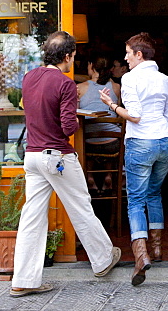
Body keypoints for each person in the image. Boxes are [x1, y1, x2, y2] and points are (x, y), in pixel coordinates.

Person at [9, 31, 121, 297]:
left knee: (31, 217)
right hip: (57, 156)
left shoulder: (29, 78)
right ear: (68, 56)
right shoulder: (65, 84)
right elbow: (69, 126)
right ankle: (103, 259)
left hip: (33, 155)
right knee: (80, 206)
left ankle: (23, 279)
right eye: (73, 56)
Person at [100, 32, 168, 285]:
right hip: (165, 142)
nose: (125, 57)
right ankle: (157, 249)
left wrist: (111, 105)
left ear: (139, 55)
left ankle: (141, 256)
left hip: (140, 142)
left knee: (135, 200)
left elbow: (134, 116)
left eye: (128, 53)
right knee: (154, 194)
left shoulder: (130, 79)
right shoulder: (165, 80)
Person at [77, 56, 122, 193]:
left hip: (89, 143)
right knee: (110, 135)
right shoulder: (116, 87)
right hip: (112, 144)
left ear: (91, 66)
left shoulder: (80, 88)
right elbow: (118, 111)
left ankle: (89, 176)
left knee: (85, 136)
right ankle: (108, 175)